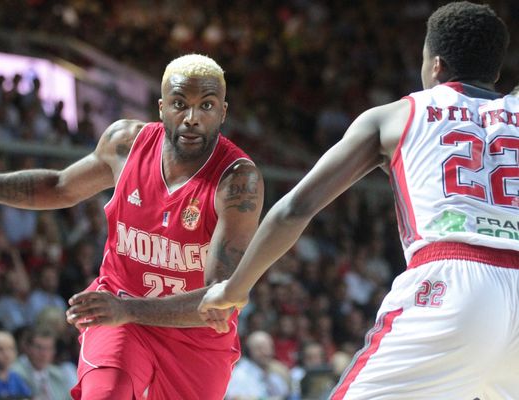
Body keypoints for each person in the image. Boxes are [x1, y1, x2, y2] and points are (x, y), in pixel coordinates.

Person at [199, 2, 519, 399]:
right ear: (497, 72)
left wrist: (236, 288)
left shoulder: (395, 115)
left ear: (435, 65)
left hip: (454, 281)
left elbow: (296, 208)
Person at [0, 53, 264, 399]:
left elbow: (220, 300)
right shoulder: (126, 144)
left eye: (206, 106)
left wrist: (128, 308)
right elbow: (57, 186)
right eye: (179, 104)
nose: (191, 118)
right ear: (161, 108)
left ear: (222, 111)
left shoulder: (237, 180)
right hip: (119, 317)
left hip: (193, 335)